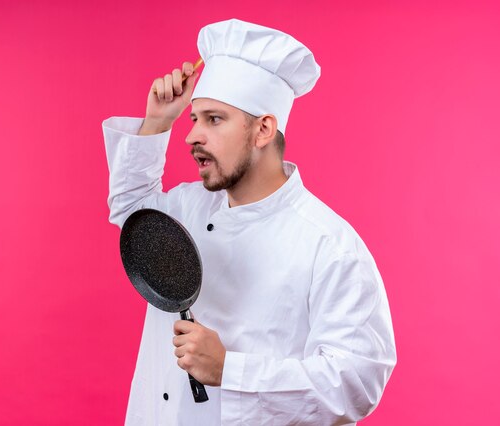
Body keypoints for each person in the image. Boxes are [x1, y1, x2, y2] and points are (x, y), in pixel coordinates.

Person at [103, 18, 396, 425]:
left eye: (214, 119)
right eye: (194, 120)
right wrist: (158, 123)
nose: (191, 137)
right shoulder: (189, 207)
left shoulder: (328, 245)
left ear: (263, 129)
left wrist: (231, 371)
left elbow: (356, 381)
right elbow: (133, 215)